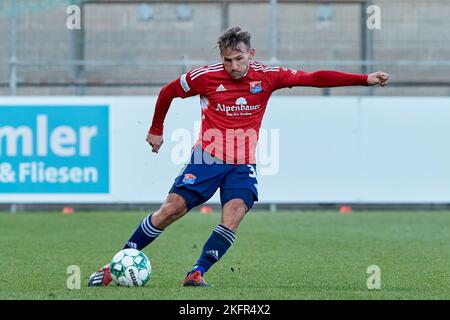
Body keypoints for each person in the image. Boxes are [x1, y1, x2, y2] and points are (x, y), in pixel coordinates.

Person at [88, 26, 389, 287]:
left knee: (233, 215)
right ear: (221, 57)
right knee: (171, 210)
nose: (233, 66)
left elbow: (315, 78)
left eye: (239, 58)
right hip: (206, 157)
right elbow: (168, 91)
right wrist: (156, 129)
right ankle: (114, 265)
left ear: (251, 54)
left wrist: (365, 79)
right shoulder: (204, 77)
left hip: (242, 163)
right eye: (227, 60)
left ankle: (197, 272)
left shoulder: (269, 76)